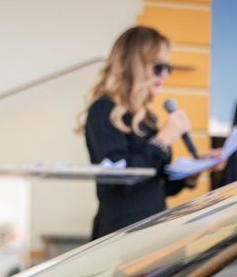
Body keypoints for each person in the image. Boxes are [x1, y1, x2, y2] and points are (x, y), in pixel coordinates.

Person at [82, 26, 196, 240]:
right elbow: (120, 179)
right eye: (158, 67)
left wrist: (190, 174)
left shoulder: (146, 118)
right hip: (121, 235)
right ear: (134, 65)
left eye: (168, 68)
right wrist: (162, 140)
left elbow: (157, 186)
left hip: (153, 231)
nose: (164, 75)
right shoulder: (104, 110)